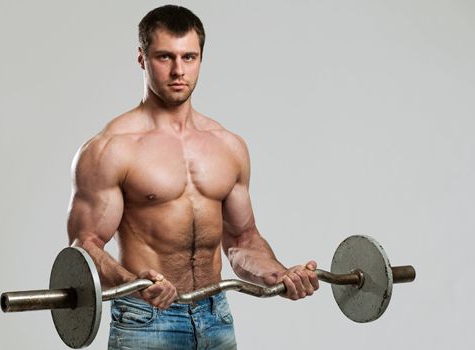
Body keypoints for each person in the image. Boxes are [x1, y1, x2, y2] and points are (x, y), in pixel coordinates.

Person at [67, 5, 319, 349]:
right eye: (164, 57)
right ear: (142, 59)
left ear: (201, 58)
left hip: (216, 316)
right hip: (147, 320)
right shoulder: (111, 148)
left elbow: (243, 240)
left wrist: (278, 274)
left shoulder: (228, 146)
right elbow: (85, 244)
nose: (177, 70)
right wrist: (131, 281)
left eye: (189, 57)